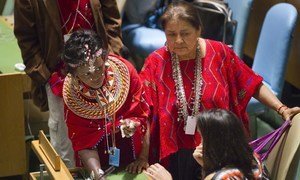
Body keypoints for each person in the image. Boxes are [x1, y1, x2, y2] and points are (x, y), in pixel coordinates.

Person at [137, 1, 300, 179]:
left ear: (199, 30)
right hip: (177, 152)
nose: (178, 41)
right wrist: (142, 156)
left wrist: (282, 108)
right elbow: (144, 111)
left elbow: (252, 83)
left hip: (220, 147)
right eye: (171, 34)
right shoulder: (156, 62)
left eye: (185, 33)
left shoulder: (220, 53)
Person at [14, 0, 123, 168]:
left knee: (106, 135)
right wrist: (46, 76)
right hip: (58, 74)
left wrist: (111, 57)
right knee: (65, 147)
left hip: (100, 70)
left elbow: (112, 21)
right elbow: (26, 39)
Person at [61, 29, 148, 179]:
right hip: (95, 158)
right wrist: (98, 175)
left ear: (104, 57)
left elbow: (143, 115)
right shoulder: (72, 97)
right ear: (74, 74)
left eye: (100, 68)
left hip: (133, 152)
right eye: (87, 74)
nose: (96, 77)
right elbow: (83, 142)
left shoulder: (126, 71)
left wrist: (143, 157)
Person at [144, 109, 269, 180]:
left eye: (202, 138)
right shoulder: (254, 158)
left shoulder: (220, 178)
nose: (199, 143)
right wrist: (207, 166)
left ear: (215, 143)